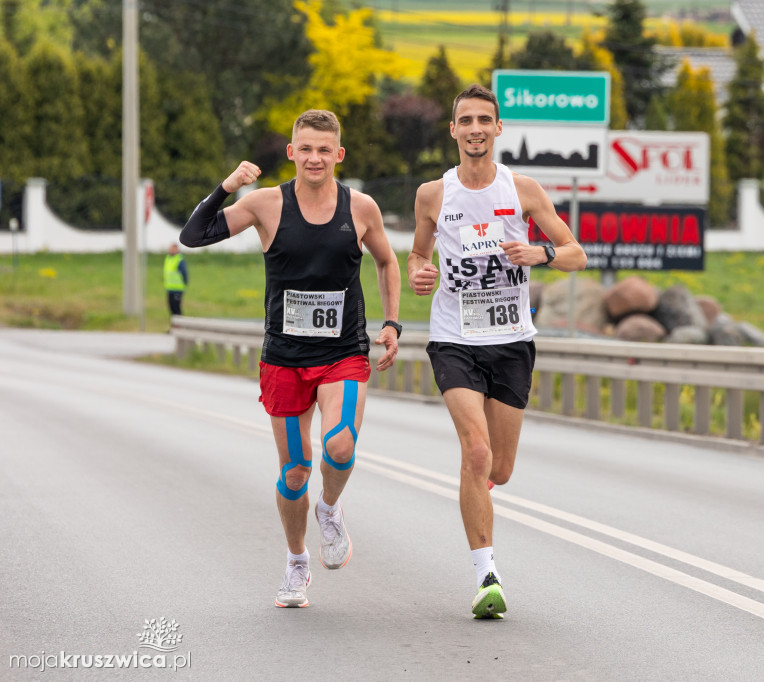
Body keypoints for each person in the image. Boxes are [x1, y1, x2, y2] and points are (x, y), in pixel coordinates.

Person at [179, 109, 402, 608]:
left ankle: (330, 508)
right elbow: (193, 236)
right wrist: (226, 186)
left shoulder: (360, 208)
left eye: (325, 150)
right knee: (295, 469)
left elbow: (388, 261)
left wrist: (390, 322)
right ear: (291, 153)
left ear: (338, 155)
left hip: (342, 352)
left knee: (340, 446)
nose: (315, 158)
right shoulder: (264, 204)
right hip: (283, 357)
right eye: (306, 149)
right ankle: (297, 561)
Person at [407, 84, 587, 619]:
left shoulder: (523, 189)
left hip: (511, 340)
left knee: (500, 469)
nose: (476, 129)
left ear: (498, 128)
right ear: (454, 131)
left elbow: (577, 253)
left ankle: (475, 492)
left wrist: (541, 252)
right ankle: (485, 572)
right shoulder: (432, 195)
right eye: (466, 120)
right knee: (476, 452)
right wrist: (420, 273)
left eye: (485, 119)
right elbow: (418, 254)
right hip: (454, 338)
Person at [163, 243, 188, 317]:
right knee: (171, 308)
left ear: (177, 250)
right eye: (170, 249)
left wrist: (185, 283)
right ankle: (174, 327)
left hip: (177, 288)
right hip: (169, 288)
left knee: (176, 309)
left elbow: (184, 273)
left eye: (173, 249)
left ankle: (180, 327)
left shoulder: (179, 259)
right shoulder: (168, 258)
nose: (171, 251)